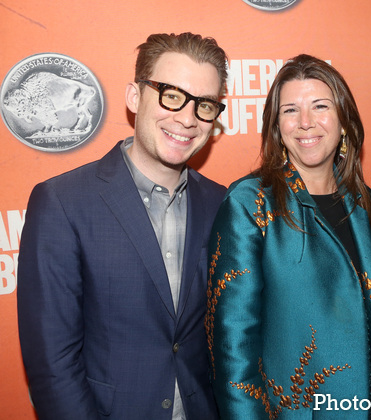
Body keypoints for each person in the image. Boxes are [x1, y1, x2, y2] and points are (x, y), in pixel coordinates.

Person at [17, 32, 228, 420]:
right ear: (135, 97)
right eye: (171, 94)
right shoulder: (62, 202)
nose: (186, 117)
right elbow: (52, 364)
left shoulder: (223, 203)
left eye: (205, 105)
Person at [206, 54, 371, 419]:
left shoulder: (365, 200)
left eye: (320, 106)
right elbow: (232, 345)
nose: (306, 123)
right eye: (291, 110)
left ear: (344, 121)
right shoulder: (251, 203)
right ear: (277, 127)